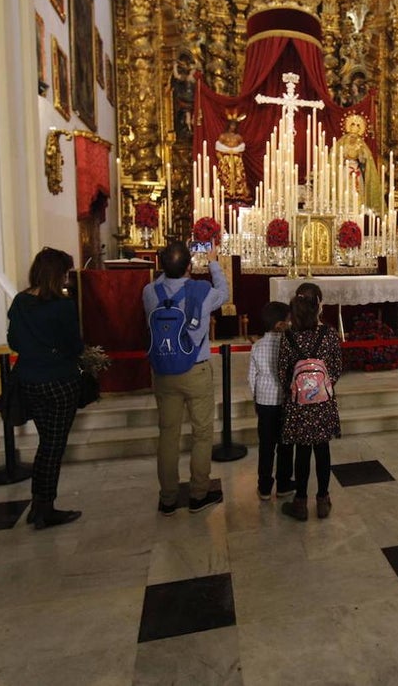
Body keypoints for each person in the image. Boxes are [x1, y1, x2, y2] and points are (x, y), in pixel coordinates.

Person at [142, 240, 230, 514]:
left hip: (164, 371)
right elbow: (224, 293)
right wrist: (213, 262)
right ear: (189, 266)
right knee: (202, 434)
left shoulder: (149, 292)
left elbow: (161, 284)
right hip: (196, 369)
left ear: (161, 266)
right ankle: (198, 494)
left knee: (168, 434)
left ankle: (168, 498)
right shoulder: (202, 291)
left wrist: (170, 271)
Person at [8, 247, 84, 530]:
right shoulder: (62, 306)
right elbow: (74, 345)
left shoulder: (20, 301)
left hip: (28, 381)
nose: (67, 278)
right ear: (57, 274)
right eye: (65, 273)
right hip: (59, 382)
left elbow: (14, 342)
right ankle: (45, 509)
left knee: (46, 444)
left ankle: (38, 504)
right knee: (54, 446)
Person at [278, 285, 342, 521]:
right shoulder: (329, 334)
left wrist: (298, 391)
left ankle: (300, 502)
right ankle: (323, 500)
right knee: (323, 450)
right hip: (323, 404)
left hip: (299, 406)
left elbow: (282, 372)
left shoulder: (288, 337)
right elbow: (336, 368)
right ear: (319, 306)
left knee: (302, 453)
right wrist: (322, 387)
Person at [249, 300, 295, 501]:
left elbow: (252, 377)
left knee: (266, 446)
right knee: (285, 445)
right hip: (285, 401)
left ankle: (264, 487)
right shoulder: (289, 344)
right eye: (288, 320)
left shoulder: (257, 346)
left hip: (264, 402)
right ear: (280, 324)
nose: (290, 323)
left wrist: (256, 398)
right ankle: (284, 485)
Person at [215, 114, 251, 203]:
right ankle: (225, 194)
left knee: (238, 176)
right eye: (231, 125)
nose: (233, 127)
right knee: (225, 177)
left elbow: (241, 151)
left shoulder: (238, 137)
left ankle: (238, 194)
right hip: (226, 160)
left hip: (236, 160)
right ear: (228, 125)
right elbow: (218, 150)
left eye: (234, 125)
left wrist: (238, 158)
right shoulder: (223, 136)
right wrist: (221, 160)